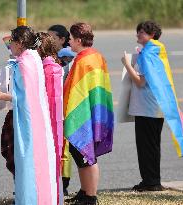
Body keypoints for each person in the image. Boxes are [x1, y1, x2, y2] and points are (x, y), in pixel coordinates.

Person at [0, 26, 58, 205]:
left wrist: (2, 96)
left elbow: (26, 97)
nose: (9, 45)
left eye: (11, 41)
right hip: (37, 119)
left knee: (28, 163)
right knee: (38, 162)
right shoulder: (34, 57)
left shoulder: (24, 63)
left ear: (20, 43)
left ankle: (29, 200)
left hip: (28, 121)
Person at [64, 22, 114, 205]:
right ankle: (85, 191)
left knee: (87, 155)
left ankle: (91, 196)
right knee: (80, 154)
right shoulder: (96, 56)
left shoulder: (84, 60)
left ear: (78, 39)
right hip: (95, 111)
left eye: (70, 38)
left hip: (85, 112)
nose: (68, 41)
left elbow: (77, 90)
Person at [121, 20, 166, 192]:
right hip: (152, 107)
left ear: (152, 35)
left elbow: (140, 82)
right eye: (138, 31)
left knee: (147, 147)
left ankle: (151, 182)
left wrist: (126, 64)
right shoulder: (154, 51)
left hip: (148, 109)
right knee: (151, 146)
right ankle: (152, 180)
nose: (138, 34)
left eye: (142, 32)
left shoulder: (148, 54)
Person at [37, 32, 64, 204]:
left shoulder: (45, 70)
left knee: (47, 164)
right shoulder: (55, 66)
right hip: (57, 123)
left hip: (48, 124)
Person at [48, 24, 75, 196]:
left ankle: (63, 184)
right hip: (54, 108)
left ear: (62, 40)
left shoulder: (68, 58)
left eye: (52, 37)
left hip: (65, 108)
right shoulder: (53, 55)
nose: (48, 40)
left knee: (63, 147)